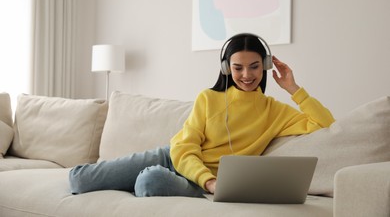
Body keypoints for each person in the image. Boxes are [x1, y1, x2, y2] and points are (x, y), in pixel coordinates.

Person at [69, 33, 335, 197]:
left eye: (254, 67)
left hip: (208, 182)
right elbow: (184, 146)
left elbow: (326, 124)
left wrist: (293, 88)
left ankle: (148, 180)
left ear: (264, 67)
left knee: (149, 181)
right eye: (238, 67)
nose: (247, 75)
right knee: (79, 178)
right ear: (226, 68)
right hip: (175, 159)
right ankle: (135, 179)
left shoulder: (273, 111)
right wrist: (208, 182)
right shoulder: (208, 98)